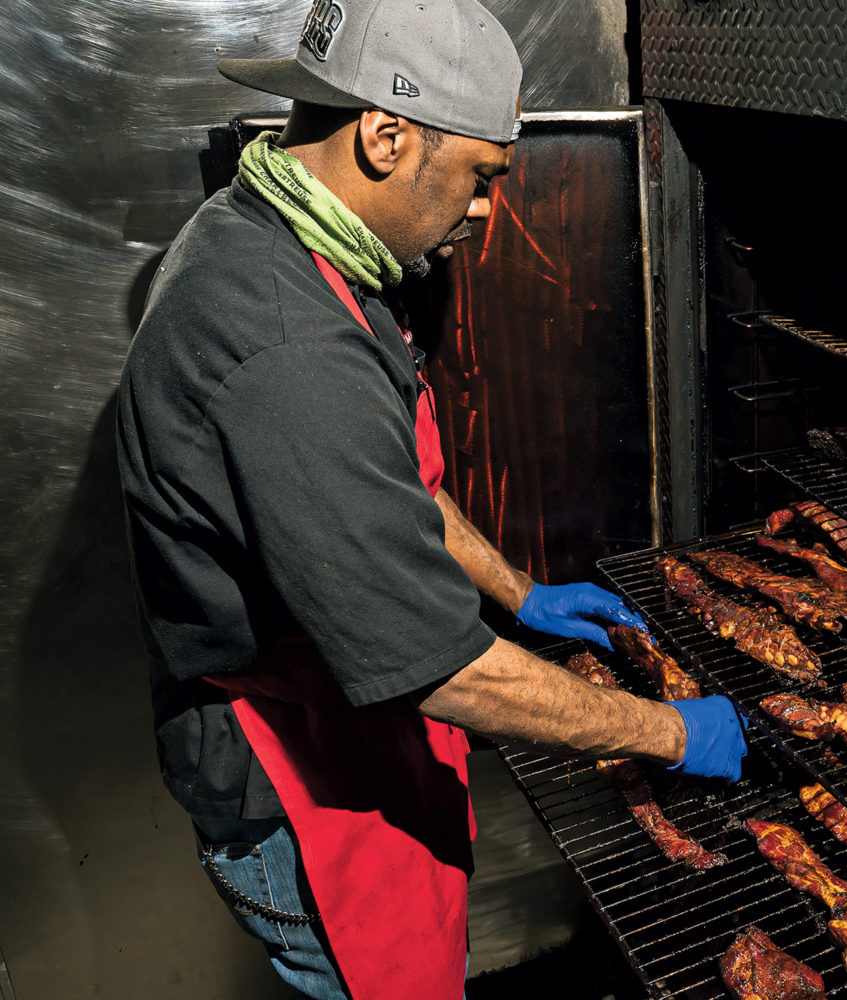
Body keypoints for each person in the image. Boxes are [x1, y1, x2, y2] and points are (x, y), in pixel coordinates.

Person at [115, 2, 747, 998]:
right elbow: (439, 671)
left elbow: (385, 489)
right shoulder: (285, 343)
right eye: (482, 176)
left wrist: (520, 591)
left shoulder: (277, 235)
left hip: (327, 718)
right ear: (385, 135)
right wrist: (670, 732)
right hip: (297, 782)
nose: (488, 209)